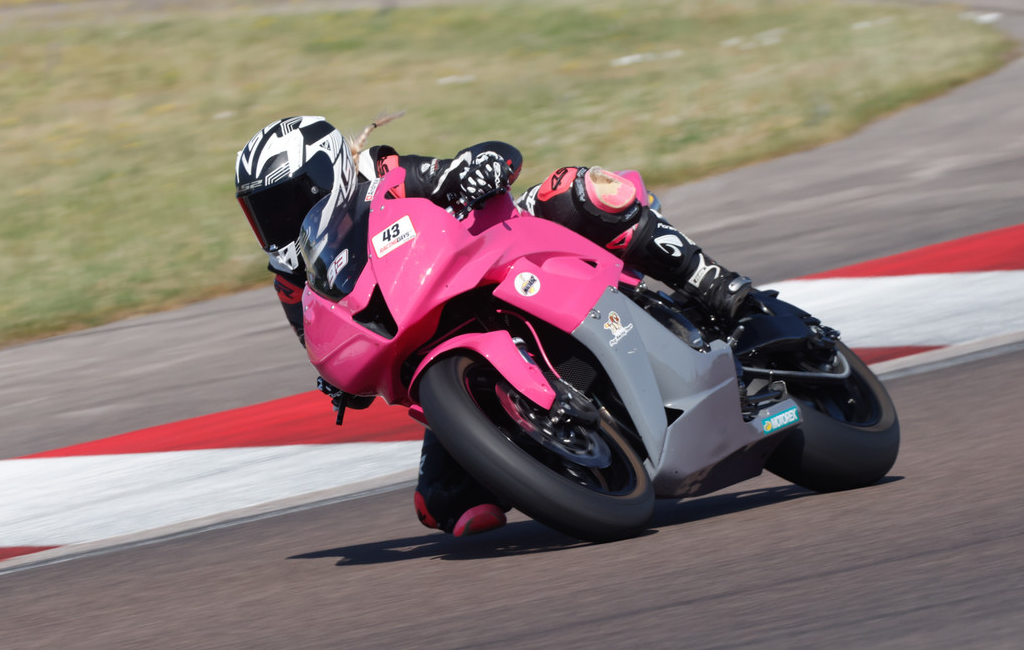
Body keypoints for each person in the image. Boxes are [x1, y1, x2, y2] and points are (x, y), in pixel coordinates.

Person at [234, 115, 755, 537]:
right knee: (443, 503)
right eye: (261, 212)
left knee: (579, 192)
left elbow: (473, 163)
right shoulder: (292, 277)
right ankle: (558, 451)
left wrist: (478, 167)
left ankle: (710, 281)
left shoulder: (383, 176)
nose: (275, 223)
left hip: (497, 256)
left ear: (326, 174)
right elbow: (318, 337)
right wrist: (336, 378)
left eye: (283, 202)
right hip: (433, 338)